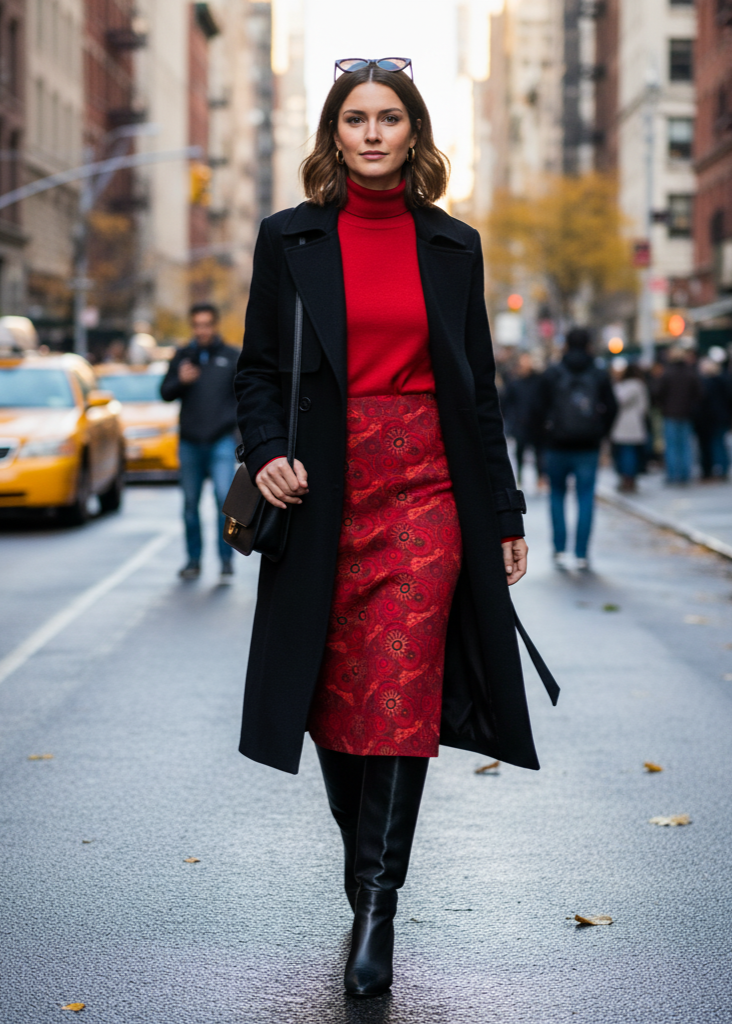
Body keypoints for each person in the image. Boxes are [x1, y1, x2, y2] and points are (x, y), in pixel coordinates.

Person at [234, 59, 555, 998]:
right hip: (325, 491)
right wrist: (265, 453)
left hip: (427, 488)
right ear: (334, 135)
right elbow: (257, 370)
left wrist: (502, 511)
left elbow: (481, 392)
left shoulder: (454, 245)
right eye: (355, 119)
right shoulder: (287, 239)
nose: (372, 134)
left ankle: (379, 906)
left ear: (415, 133)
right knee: (336, 695)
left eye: (390, 118)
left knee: (403, 690)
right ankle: (362, 865)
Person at [161, 302, 240, 582]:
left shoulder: (232, 356)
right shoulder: (183, 355)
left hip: (221, 441)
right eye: (197, 325)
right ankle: (193, 561)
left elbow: (245, 396)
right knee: (190, 505)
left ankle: (226, 561)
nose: (202, 330)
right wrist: (180, 380)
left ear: (215, 325)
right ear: (192, 326)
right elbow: (165, 392)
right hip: (190, 442)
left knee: (224, 502)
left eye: (207, 324)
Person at [536, 327, 617, 570]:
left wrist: (545, 436)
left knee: (557, 495)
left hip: (557, 445)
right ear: (589, 345)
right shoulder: (599, 374)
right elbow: (612, 407)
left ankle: (559, 549)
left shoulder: (552, 373)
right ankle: (581, 552)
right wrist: (601, 433)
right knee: (585, 496)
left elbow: (538, 409)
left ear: (566, 345)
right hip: (588, 446)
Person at [653, 347, 702, 484]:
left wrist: (663, 406)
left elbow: (657, 393)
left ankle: (673, 474)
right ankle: (685, 474)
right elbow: (699, 394)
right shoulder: (690, 373)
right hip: (686, 414)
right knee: (685, 445)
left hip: (670, 414)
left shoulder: (667, 374)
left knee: (672, 446)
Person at [500, 351, 545, 485]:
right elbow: (507, 402)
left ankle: (540, 477)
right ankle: (519, 476)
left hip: (536, 423)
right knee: (520, 451)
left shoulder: (538, 380)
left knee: (538, 452)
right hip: (520, 423)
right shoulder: (514, 382)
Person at [610, 361, 649, 493]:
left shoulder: (632, 386)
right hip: (630, 424)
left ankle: (628, 478)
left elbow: (618, 400)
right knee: (627, 453)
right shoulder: (639, 385)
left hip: (626, 425)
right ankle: (628, 477)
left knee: (627, 453)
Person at [694, 356, 731, 480]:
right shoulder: (723, 380)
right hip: (721, 417)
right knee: (720, 443)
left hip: (713, 418)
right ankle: (723, 468)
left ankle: (721, 469)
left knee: (717, 444)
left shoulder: (708, 383)